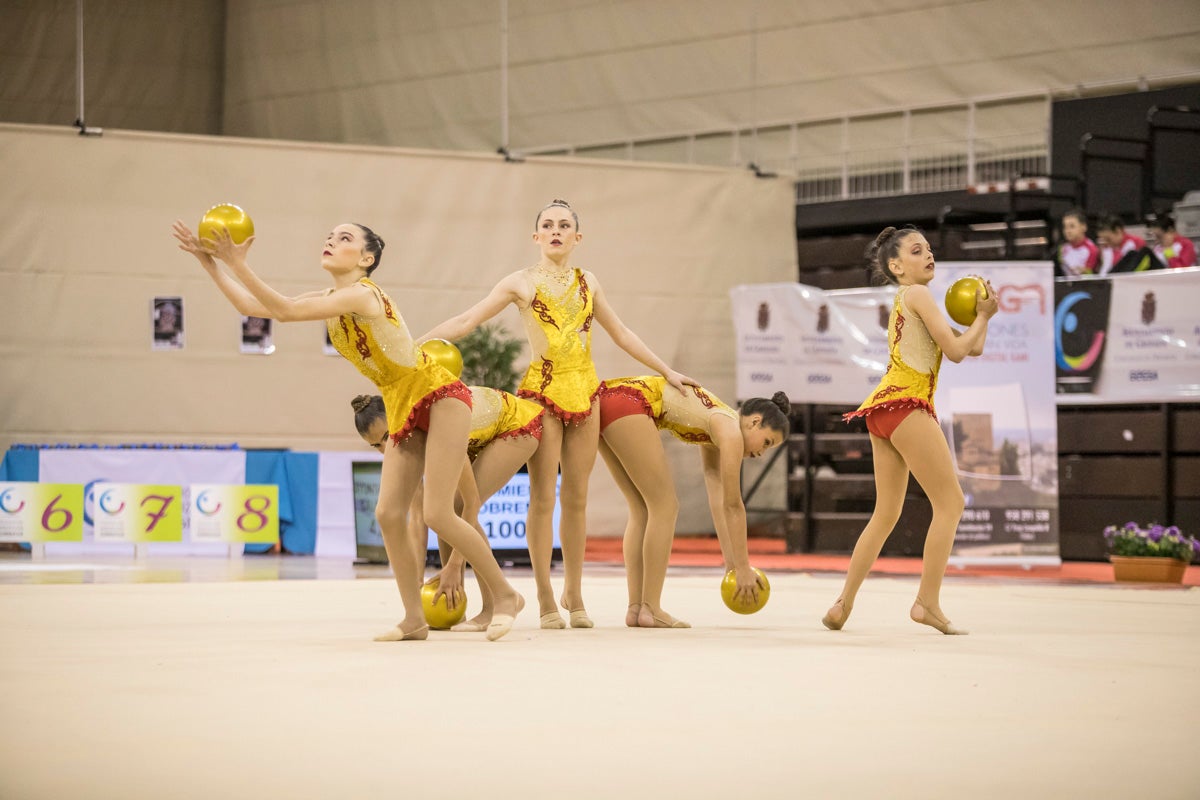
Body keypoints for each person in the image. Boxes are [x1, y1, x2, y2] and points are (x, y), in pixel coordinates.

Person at [172, 220, 525, 642]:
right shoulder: (333, 299)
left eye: (344, 239)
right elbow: (254, 307)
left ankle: (506, 596)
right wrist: (211, 264)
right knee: (388, 513)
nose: (330, 240)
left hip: (439, 395)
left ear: (366, 259)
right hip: (401, 404)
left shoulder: (362, 294)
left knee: (435, 512)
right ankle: (414, 618)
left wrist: (238, 261)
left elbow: (283, 309)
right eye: (329, 235)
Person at [420, 200, 695, 630]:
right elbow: (467, 318)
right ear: (535, 237)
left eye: (564, 225)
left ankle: (575, 594)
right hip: (543, 395)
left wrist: (667, 370)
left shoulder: (589, 282)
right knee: (544, 497)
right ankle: (546, 597)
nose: (555, 231)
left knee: (578, 498)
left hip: (587, 393)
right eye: (547, 225)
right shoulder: (521, 282)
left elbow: (621, 333)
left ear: (577, 237)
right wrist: (419, 342)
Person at [822, 226, 998, 636]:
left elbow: (973, 346)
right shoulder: (917, 294)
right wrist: (984, 317)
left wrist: (981, 318)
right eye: (918, 251)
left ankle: (842, 604)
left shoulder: (912, 299)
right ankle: (927, 603)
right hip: (907, 404)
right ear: (897, 266)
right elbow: (955, 353)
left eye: (930, 249)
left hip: (883, 408)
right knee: (951, 503)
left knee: (885, 513)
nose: (929, 255)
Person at [597, 377, 789, 628]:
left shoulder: (719, 424)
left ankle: (637, 608)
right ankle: (651, 608)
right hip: (630, 402)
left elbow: (717, 492)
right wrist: (743, 568)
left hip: (611, 401)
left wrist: (731, 562)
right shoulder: (731, 433)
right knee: (665, 506)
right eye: (767, 442)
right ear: (755, 422)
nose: (762, 453)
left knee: (642, 508)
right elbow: (733, 505)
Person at [351, 387, 543, 631]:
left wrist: (453, 566)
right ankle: (453, 602)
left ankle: (496, 603)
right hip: (479, 434)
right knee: (440, 510)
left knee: (455, 506)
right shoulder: (405, 447)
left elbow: (471, 504)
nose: (385, 448)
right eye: (375, 445)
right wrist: (416, 582)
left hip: (516, 425)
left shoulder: (436, 429)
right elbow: (417, 518)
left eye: (388, 436)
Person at [1056, 208, 1100, 277]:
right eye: (1065, 227)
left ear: (1084, 227)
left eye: (1072, 226)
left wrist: (1083, 271)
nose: (1068, 231)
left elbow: (1091, 274)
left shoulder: (1092, 249)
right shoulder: (1062, 248)